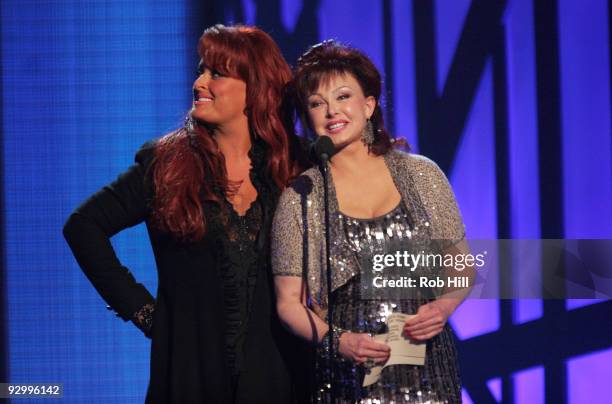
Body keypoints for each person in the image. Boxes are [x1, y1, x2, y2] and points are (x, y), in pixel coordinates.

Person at [64, 24, 308, 403]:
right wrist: (144, 312)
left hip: (278, 377)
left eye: (216, 73)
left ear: (255, 88)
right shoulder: (166, 163)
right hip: (188, 375)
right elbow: (83, 226)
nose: (199, 83)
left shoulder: (295, 166)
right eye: (201, 70)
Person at [272, 40, 472, 403]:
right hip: (350, 376)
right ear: (307, 117)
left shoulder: (421, 175)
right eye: (317, 103)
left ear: (368, 105)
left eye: (343, 96)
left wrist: (443, 307)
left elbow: (461, 267)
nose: (332, 110)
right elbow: (288, 304)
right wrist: (339, 342)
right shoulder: (301, 197)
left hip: (429, 370)